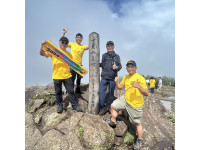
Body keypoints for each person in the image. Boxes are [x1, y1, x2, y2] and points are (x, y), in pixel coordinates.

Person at [107, 60, 149, 150]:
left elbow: (146, 93)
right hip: (125, 99)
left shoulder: (140, 78)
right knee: (113, 106)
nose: (130, 68)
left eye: (132, 67)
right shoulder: (126, 77)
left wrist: (139, 86)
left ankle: (139, 140)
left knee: (137, 123)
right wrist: (117, 82)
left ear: (135, 68)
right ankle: (113, 122)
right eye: (128, 67)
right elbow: (120, 87)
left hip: (136, 104)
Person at [40, 37, 82, 113]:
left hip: (67, 76)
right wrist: (42, 46)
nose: (64, 44)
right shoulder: (54, 51)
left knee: (71, 91)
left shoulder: (69, 55)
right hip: (57, 75)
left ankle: (74, 106)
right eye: (63, 42)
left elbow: (72, 65)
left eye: (66, 43)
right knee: (58, 92)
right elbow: (42, 54)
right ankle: (60, 106)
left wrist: (81, 71)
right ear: (59, 42)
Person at [61, 27, 89, 94]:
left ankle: (78, 90)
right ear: (75, 38)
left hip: (79, 65)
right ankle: (69, 90)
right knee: (71, 79)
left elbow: (90, 46)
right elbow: (62, 42)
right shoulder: (72, 44)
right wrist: (63, 33)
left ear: (82, 39)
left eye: (80, 37)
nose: (79, 38)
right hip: (72, 64)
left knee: (79, 78)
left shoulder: (83, 46)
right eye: (78, 37)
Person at [98, 41, 122, 116]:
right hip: (104, 77)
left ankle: (108, 107)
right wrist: (96, 63)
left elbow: (120, 66)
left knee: (111, 94)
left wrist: (116, 67)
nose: (109, 47)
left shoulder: (117, 56)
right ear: (106, 47)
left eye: (111, 46)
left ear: (113, 47)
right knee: (101, 93)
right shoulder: (104, 55)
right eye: (108, 46)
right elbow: (102, 64)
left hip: (112, 78)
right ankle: (103, 107)